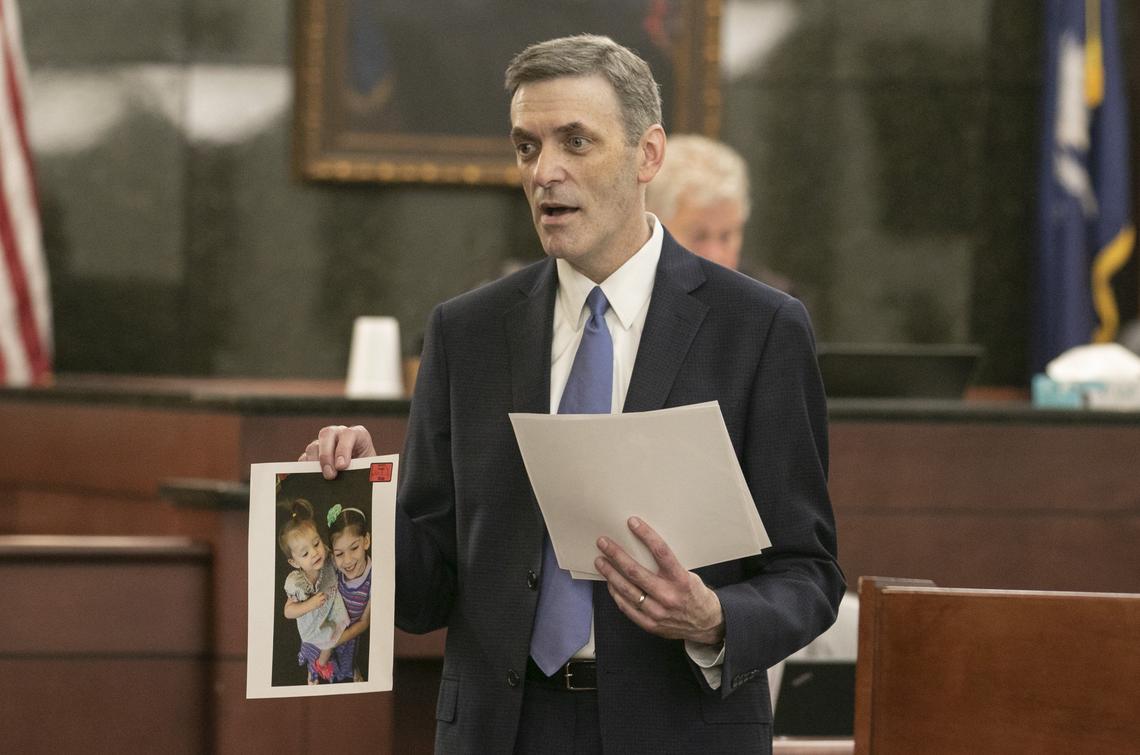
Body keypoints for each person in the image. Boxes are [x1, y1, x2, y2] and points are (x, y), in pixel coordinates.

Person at [302, 34, 842, 753]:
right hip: (503, 732)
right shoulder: (466, 333)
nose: (545, 172)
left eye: (575, 142)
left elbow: (809, 574)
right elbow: (427, 592)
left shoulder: (760, 329)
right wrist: (364, 505)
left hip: (678, 728)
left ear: (647, 154)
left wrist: (714, 616)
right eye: (527, 147)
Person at [645, 133, 794, 290]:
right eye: (699, 237)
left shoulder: (772, 307)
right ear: (653, 228)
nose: (715, 256)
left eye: (726, 237)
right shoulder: (626, 296)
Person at [278, 498, 350, 684]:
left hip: (332, 612)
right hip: (312, 621)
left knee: (335, 639)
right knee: (326, 642)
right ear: (295, 563)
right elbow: (288, 611)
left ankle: (319, 663)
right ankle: (315, 668)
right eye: (305, 554)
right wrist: (310, 604)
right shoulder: (296, 582)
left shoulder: (325, 557)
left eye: (316, 544)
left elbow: (337, 561)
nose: (315, 553)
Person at [327, 503, 373, 682]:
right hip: (331, 630)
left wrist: (336, 640)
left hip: (353, 637)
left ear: (366, 541)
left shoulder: (374, 577)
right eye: (339, 554)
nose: (347, 561)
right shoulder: (335, 571)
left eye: (354, 548)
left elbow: (364, 622)